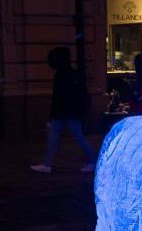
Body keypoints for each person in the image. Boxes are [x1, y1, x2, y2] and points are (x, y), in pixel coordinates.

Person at [30, 46, 95, 174]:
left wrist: (53, 115)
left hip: (65, 113)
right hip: (69, 113)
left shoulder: (60, 75)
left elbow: (59, 98)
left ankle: (92, 161)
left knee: (68, 138)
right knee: (61, 138)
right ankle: (47, 164)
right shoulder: (71, 74)